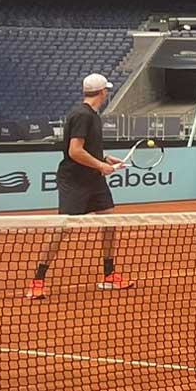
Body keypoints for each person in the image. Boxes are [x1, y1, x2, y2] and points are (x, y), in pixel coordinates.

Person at [27, 73, 133, 300]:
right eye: (107, 90)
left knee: (110, 222)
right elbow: (74, 151)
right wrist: (100, 166)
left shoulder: (91, 115)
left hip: (93, 179)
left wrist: (104, 160)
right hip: (75, 180)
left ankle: (109, 275)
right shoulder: (83, 115)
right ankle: (38, 280)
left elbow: (86, 149)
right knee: (62, 228)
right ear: (103, 92)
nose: (107, 93)